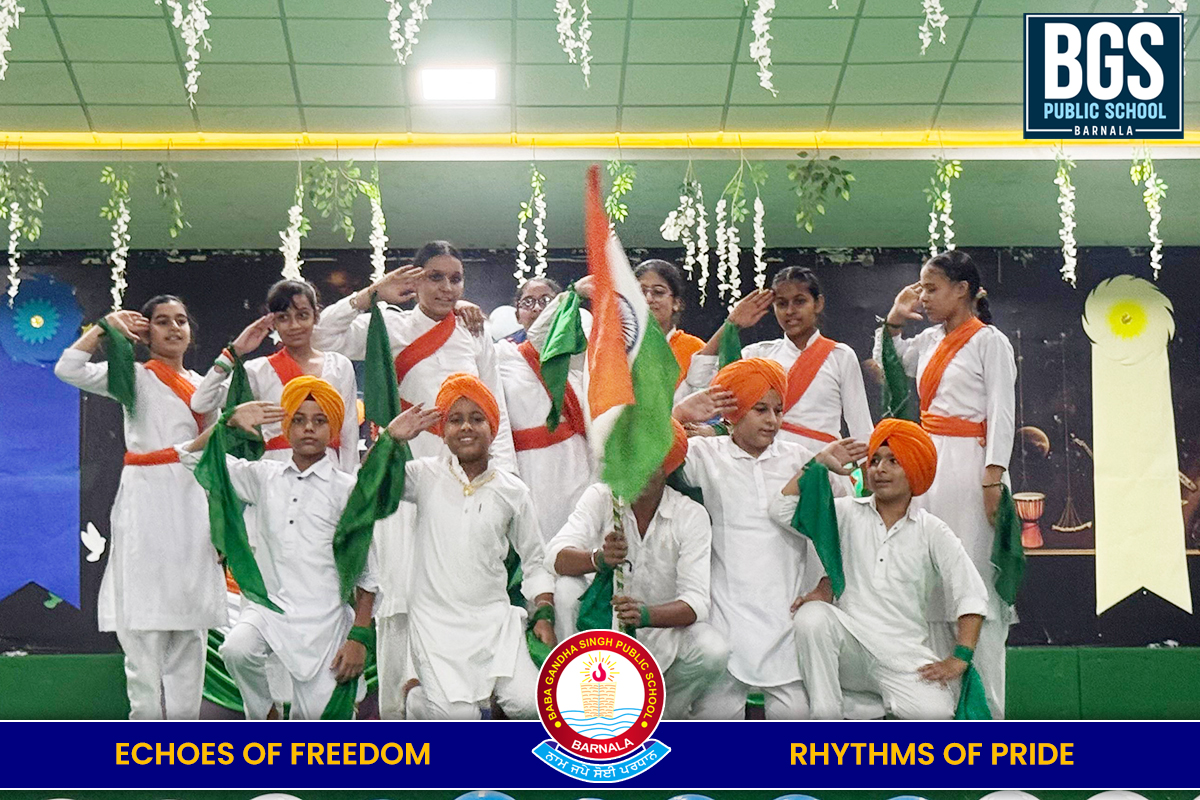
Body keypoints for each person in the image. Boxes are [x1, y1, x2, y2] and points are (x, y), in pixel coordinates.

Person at [312, 241, 515, 719]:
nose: (447, 287)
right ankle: (396, 720)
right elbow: (321, 335)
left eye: (455, 278)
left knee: (464, 591)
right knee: (399, 598)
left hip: (466, 484)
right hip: (403, 482)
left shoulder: (473, 332)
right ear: (415, 280)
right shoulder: (391, 327)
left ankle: (462, 710)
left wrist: (504, 481)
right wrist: (372, 294)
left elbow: (497, 412)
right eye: (435, 277)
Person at [54, 296, 226, 719]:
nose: (174, 328)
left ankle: (186, 741)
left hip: (193, 504)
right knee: (144, 630)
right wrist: (105, 326)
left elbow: (216, 455)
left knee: (190, 631)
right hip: (146, 502)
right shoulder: (133, 376)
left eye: (181, 320)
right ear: (147, 333)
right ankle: (145, 736)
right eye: (162, 321)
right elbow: (68, 369)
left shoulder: (205, 385)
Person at [676, 358, 865, 720]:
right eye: (760, 409)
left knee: (797, 718)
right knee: (715, 718)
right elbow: (649, 457)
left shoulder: (801, 459)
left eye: (778, 410)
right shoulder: (705, 455)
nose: (773, 420)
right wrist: (679, 413)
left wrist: (827, 584)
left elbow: (844, 524)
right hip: (725, 613)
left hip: (786, 616)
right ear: (733, 412)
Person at [178, 377, 377, 720]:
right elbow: (191, 457)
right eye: (298, 419)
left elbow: (368, 572)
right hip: (268, 608)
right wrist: (229, 421)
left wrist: (359, 637)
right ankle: (265, 712)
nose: (308, 428)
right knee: (236, 649)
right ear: (286, 427)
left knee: (319, 723)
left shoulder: (348, 490)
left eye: (319, 420)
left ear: (332, 428)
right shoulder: (264, 477)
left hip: (324, 621)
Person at [875, 249, 1017, 718]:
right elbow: (889, 363)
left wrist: (993, 476)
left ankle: (987, 712)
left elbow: (1002, 411)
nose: (924, 297)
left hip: (972, 468)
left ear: (962, 290)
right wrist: (895, 320)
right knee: (929, 576)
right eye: (921, 288)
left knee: (973, 574)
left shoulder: (990, 341)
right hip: (928, 466)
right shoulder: (928, 340)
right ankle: (937, 707)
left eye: (931, 288)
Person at [771, 418, 989, 720]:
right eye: (874, 460)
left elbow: (972, 594)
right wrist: (819, 461)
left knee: (936, 715)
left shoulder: (932, 530)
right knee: (812, 617)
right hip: (850, 645)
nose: (879, 469)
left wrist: (960, 657)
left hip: (903, 657)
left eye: (893, 461)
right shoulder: (846, 512)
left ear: (915, 469)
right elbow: (781, 510)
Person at [382, 373, 555, 720]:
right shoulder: (422, 475)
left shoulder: (512, 490)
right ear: (443, 431)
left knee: (530, 705)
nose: (466, 427)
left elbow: (535, 560)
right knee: (460, 718)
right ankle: (420, 700)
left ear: (492, 429)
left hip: (494, 622)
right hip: (435, 625)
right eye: (455, 420)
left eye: (477, 419)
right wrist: (390, 439)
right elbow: (371, 486)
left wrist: (544, 611)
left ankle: (469, 702)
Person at [547, 420, 728, 719]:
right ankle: (578, 702)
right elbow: (554, 557)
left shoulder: (691, 515)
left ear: (666, 466)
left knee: (712, 651)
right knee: (566, 590)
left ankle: (660, 715)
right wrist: (598, 559)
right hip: (603, 632)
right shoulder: (601, 497)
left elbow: (696, 603)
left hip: (662, 636)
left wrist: (645, 615)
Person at [686, 267, 874, 452]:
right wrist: (731, 322)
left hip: (823, 463)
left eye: (799, 301)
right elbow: (698, 378)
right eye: (782, 304)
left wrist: (867, 468)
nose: (790, 311)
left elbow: (860, 426)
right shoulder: (758, 355)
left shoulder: (840, 356)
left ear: (818, 304)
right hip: (765, 464)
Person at [190, 279, 360, 473]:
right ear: (272, 322)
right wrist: (233, 352)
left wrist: (349, 482)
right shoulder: (258, 370)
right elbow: (201, 402)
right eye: (283, 318)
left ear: (315, 316)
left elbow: (349, 432)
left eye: (302, 315)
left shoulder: (339, 366)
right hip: (276, 470)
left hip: (328, 470)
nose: (294, 325)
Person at [496, 277, 593, 545]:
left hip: (574, 458)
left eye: (545, 301)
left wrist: (571, 297)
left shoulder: (576, 348)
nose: (537, 308)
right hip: (527, 466)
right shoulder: (501, 355)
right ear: (517, 314)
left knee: (579, 538)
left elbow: (544, 339)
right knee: (535, 544)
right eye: (528, 302)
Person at [635, 260, 705, 398]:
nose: (648, 299)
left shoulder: (694, 350)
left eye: (658, 292)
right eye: (641, 292)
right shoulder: (619, 348)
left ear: (676, 303)